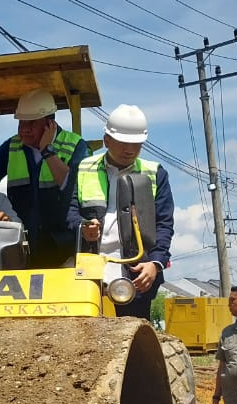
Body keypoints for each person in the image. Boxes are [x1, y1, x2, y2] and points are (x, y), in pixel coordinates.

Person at [67, 104, 174, 320]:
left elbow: (164, 224)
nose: (130, 150)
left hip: (137, 270)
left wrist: (155, 264)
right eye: (123, 143)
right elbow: (69, 213)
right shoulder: (83, 168)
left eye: (136, 144)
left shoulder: (155, 173)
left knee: (133, 334)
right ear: (107, 140)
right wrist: (83, 227)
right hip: (91, 266)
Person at [0, 88, 89, 268]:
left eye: (31, 123)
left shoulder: (75, 145)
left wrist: (47, 151)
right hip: (21, 247)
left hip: (64, 251)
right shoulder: (12, 146)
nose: (24, 129)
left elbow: (76, 190)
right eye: (21, 123)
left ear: (49, 123)